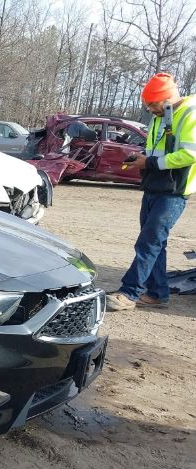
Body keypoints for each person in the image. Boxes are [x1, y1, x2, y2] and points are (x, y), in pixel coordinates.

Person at [107, 73, 196, 311]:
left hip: (174, 190)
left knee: (149, 242)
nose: (150, 109)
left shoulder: (190, 113)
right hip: (155, 185)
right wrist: (141, 158)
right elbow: (156, 148)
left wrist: (149, 163)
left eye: (153, 104)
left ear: (167, 98)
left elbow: (190, 154)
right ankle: (157, 293)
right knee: (156, 242)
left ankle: (129, 292)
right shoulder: (162, 114)